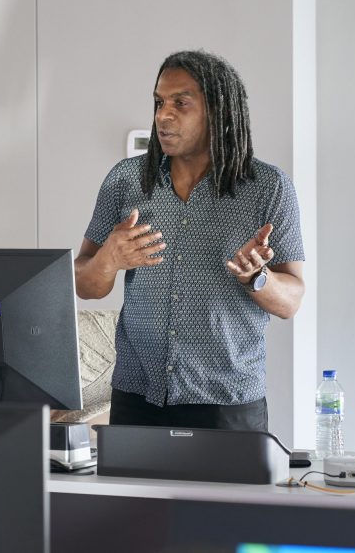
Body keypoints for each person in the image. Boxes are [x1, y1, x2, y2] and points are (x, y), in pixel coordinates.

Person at [74, 50, 305, 431]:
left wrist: (256, 278)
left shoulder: (268, 187)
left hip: (226, 402)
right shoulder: (125, 180)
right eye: (159, 103)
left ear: (217, 111)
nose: (163, 115)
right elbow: (84, 284)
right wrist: (107, 261)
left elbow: (291, 301)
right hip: (137, 398)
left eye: (180, 103)